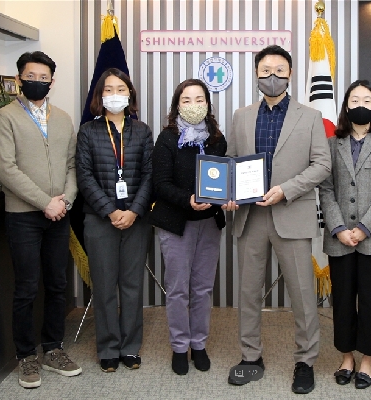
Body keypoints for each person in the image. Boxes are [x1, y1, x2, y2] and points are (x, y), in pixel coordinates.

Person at [224, 45, 331, 394]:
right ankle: (251, 357)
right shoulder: (241, 115)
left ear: (290, 74)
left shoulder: (310, 116)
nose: (273, 76)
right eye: (266, 70)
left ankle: (305, 361)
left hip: (291, 213)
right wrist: (228, 192)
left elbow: (322, 165)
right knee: (249, 292)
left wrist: (286, 189)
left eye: (280, 70)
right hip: (250, 216)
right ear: (256, 74)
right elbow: (230, 161)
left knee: (302, 293)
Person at [0, 51, 82, 388]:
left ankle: (54, 348)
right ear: (19, 78)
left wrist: (65, 200)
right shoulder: (5, 117)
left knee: (58, 285)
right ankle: (26, 356)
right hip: (24, 217)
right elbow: (6, 168)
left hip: (60, 214)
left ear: (52, 83)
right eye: (32, 76)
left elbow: (72, 165)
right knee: (27, 288)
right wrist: (45, 202)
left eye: (44, 78)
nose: (38, 82)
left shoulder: (62, 118)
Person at [318, 80, 371, 389]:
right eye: (355, 99)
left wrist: (363, 229)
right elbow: (326, 190)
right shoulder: (331, 143)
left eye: (367, 99)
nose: (360, 104)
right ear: (346, 106)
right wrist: (339, 228)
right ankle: (347, 357)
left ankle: (367, 359)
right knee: (342, 301)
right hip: (339, 238)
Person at [75, 68, 153, 373]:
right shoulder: (88, 132)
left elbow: (149, 175)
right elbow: (84, 176)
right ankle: (108, 347)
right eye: (108, 89)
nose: (115, 94)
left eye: (121, 88)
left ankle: (130, 347)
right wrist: (110, 210)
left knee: (132, 284)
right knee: (105, 286)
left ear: (130, 93)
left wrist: (133, 211)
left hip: (137, 219)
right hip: (99, 219)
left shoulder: (143, 131)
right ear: (100, 96)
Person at [148, 79, 227, 375]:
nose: (193, 105)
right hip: (176, 224)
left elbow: (220, 182)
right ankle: (180, 347)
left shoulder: (217, 139)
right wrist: (188, 199)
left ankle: (199, 344)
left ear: (207, 103)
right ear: (176, 105)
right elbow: (160, 184)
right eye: (186, 100)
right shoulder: (167, 138)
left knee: (203, 289)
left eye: (199, 99)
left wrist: (226, 199)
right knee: (178, 290)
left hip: (208, 224)